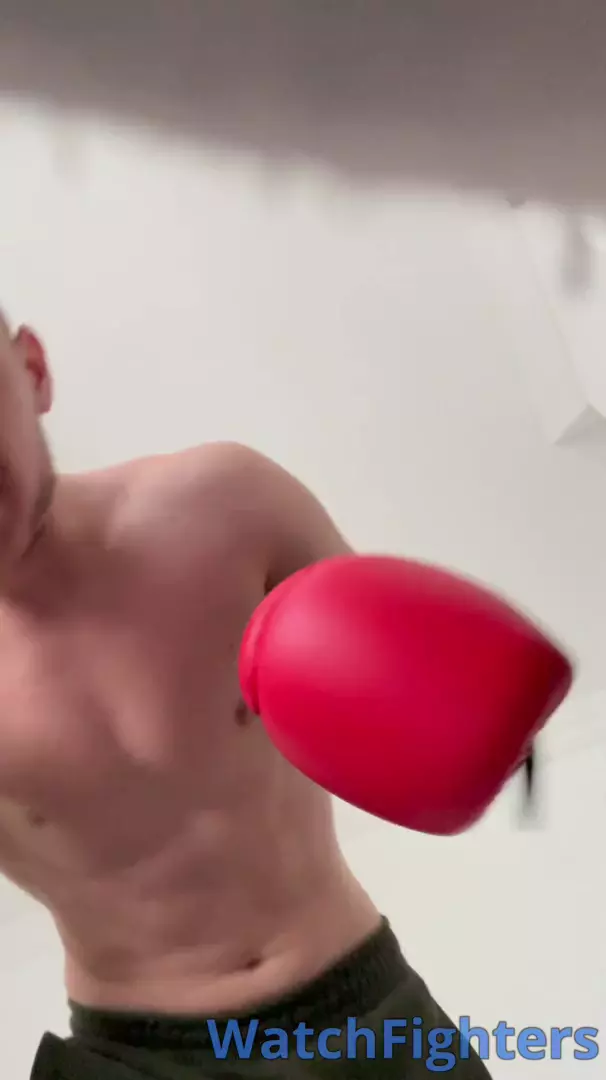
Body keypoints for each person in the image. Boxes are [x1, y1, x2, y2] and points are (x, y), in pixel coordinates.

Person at [0, 313, 492, 1078]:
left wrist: (473, 714)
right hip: (135, 1056)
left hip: (361, 1006)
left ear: (32, 371)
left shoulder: (228, 506)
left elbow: (423, 706)